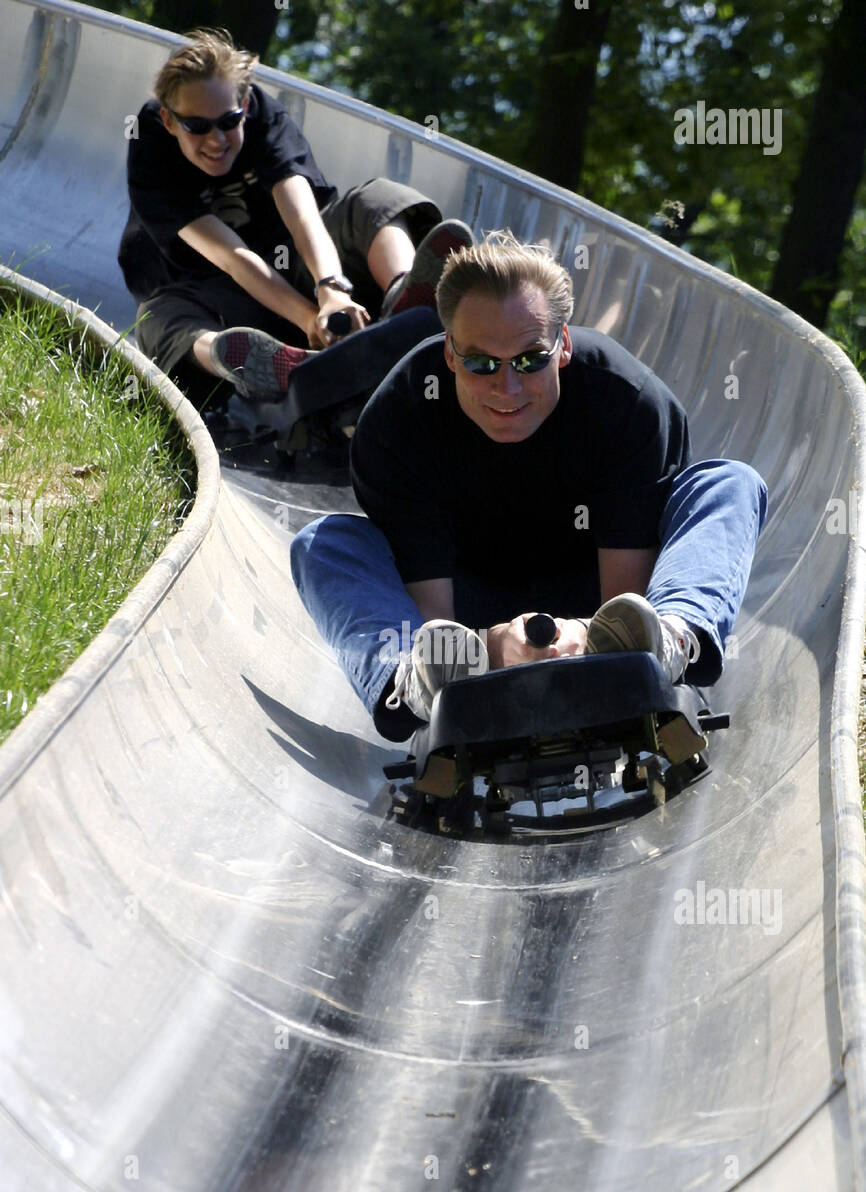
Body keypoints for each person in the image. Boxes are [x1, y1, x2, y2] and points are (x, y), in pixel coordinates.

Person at [290, 231, 768, 742]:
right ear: (450, 354)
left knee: (729, 483)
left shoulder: (626, 402)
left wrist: (586, 635)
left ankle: (675, 635)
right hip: (466, 627)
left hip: (607, 611)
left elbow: (622, 606)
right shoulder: (400, 419)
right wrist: (494, 646)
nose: (506, 387)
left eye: (528, 360)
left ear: (562, 346)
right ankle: (406, 677)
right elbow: (436, 622)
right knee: (322, 544)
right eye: (481, 363)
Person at [117, 27, 472, 404]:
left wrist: (332, 291)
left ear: (246, 106)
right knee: (156, 317)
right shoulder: (152, 146)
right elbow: (234, 258)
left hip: (301, 270)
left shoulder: (265, 119)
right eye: (198, 127)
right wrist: (309, 320)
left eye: (227, 121)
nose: (216, 139)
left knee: (375, 198)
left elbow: (304, 217)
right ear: (171, 122)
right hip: (219, 296)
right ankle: (248, 363)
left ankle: (406, 297)